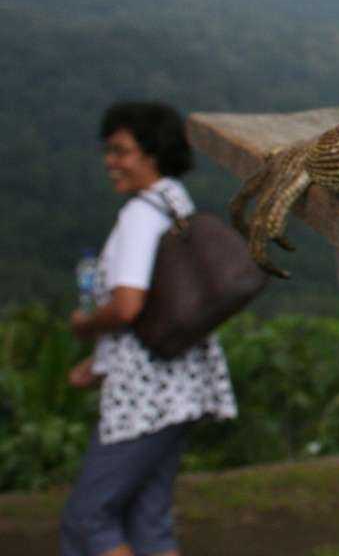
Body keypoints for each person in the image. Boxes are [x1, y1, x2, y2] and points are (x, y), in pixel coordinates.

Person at [62, 102, 237, 556]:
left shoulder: (140, 215)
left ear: (152, 154)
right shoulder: (175, 201)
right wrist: (100, 363)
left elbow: (128, 306)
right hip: (183, 386)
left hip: (145, 398)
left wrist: (84, 325)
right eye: (109, 151)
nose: (110, 162)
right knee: (148, 519)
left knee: (88, 519)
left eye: (121, 151)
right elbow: (165, 306)